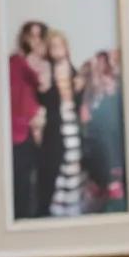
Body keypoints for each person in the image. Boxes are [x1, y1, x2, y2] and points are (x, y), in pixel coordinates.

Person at [41, 30, 87, 217]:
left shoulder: (75, 72)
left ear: (66, 47)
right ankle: (57, 210)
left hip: (73, 125)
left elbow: (79, 101)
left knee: (73, 164)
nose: (57, 49)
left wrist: (79, 88)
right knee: (57, 168)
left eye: (60, 45)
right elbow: (45, 101)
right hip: (55, 127)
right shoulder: (46, 71)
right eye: (53, 46)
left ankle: (72, 207)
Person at [8, 21, 49, 219]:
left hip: (39, 134)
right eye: (32, 35)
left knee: (35, 183)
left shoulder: (47, 65)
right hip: (18, 131)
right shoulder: (15, 62)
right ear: (25, 37)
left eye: (40, 36)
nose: (35, 40)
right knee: (19, 182)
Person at [80, 49, 127, 212]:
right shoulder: (90, 88)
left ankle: (115, 207)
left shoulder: (114, 83)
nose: (100, 66)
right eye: (97, 62)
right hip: (94, 140)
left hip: (111, 140)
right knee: (97, 182)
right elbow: (85, 114)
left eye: (103, 62)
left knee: (112, 182)